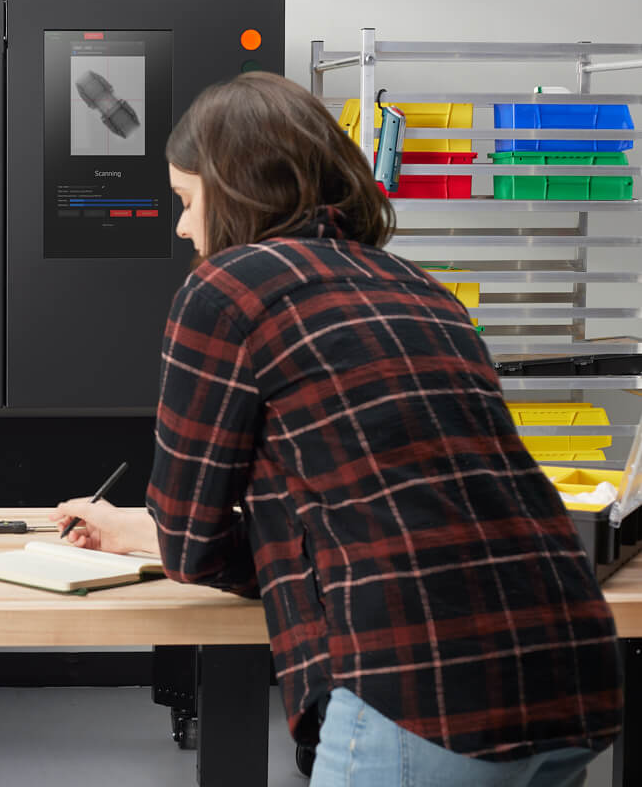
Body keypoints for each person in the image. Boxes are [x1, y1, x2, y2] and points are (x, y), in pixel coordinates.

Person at [52, 72, 622, 786]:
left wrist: (174, 538)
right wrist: (141, 532)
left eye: (188, 201)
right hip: (573, 667)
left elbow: (194, 546)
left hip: (429, 688)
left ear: (231, 193)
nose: (182, 227)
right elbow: (394, 503)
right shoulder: (420, 287)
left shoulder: (227, 289)